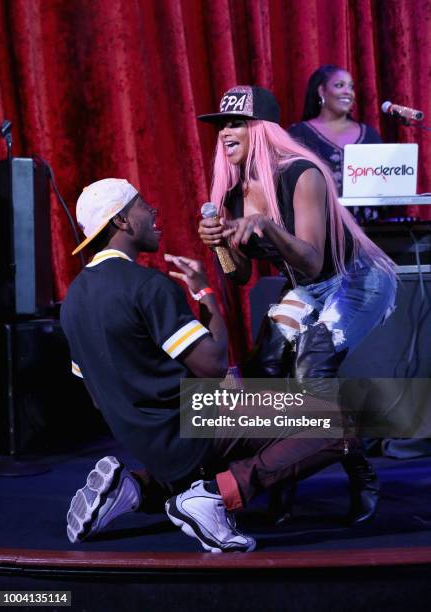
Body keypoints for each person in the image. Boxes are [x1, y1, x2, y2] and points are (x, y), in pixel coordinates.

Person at [60, 178, 351, 553]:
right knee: (340, 423)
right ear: (123, 222)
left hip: (148, 443)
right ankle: (217, 495)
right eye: (143, 206)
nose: (153, 212)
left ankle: (135, 488)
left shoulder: (73, 301)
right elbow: (212, 365)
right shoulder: (146, 286)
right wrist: (205, 293)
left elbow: (99, 398)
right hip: (194, 424)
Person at [197, 85, 397, 525]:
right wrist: (218, 245)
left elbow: (310, 258)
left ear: (262, 129)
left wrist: (267, 226)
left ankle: (363, 475)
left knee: (311, 372)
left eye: (236, 123)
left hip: (356, 281)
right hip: (310, 287)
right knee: (264, 369)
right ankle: (280, 488)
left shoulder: (301, 173)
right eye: (221, 125)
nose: (225, 132)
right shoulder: (233, 192)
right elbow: (240, 275)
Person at [287, 64, 381, 197]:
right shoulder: (299, 134)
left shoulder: (370, 135)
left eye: (351, 87)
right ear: (321, 91)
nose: (348, 92)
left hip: (369, 217)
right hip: (320, 217)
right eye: (339, 85)